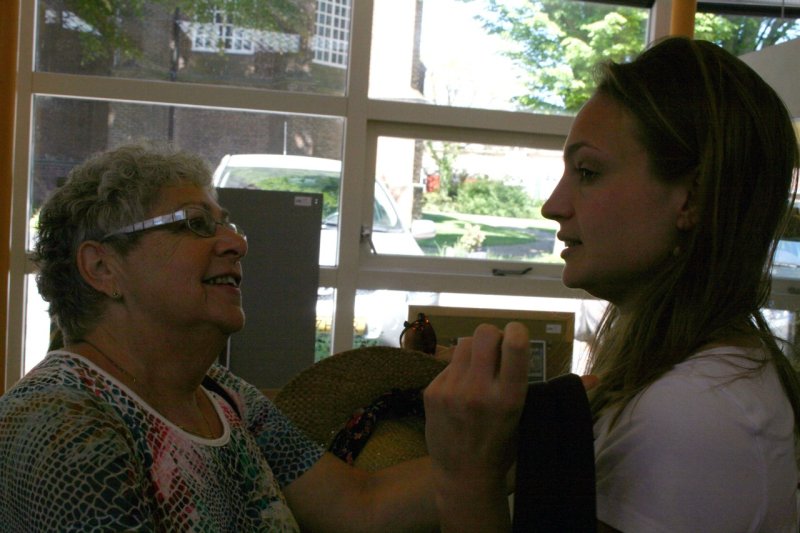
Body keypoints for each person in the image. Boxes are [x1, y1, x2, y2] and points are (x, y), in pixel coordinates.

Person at [423, 36, 800, 532]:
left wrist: (467, 477)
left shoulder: (693, 413)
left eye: (587, 171)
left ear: (692, 197)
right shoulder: (682, 378)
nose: (553, 206)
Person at [0, 143, 440, 532]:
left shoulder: (220, 394)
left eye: (227, 225)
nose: (237, 244)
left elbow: (358, 505)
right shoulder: (61, 427)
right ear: (102, 267)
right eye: (194, 224)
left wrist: (479, 442)